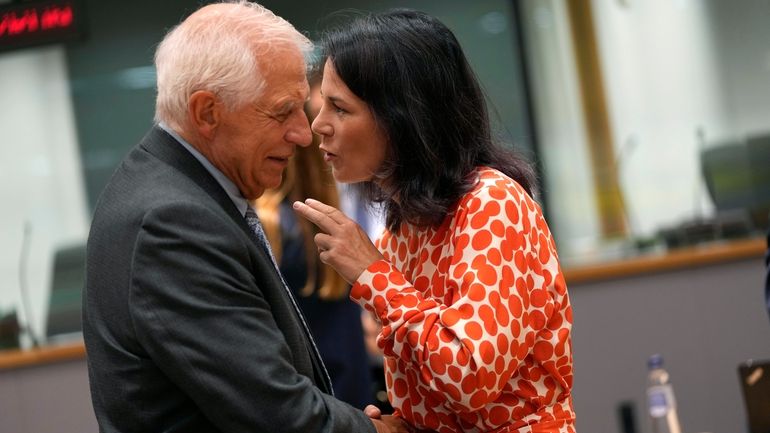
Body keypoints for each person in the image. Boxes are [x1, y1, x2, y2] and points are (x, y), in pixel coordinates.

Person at [82, 2, 408, 432]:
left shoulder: (170, 190)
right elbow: (273, 412)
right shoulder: (173, 223)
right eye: (281, 111)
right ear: (207, 113)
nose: (303, 133)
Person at [293, 9, 576, 433]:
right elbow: (441, 396)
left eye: (339, 108)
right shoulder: (404, 225)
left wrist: (374, 275)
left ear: (401, 116)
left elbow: (468, 379)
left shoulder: (491, 203)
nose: (318, 126)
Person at [254, 78, 374, 408]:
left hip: (312, 404)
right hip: (351, 397)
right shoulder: (328, 225)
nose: (322, 125)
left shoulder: (271, 228)